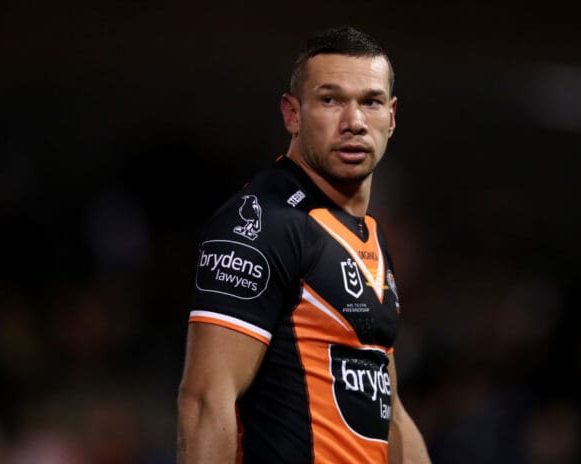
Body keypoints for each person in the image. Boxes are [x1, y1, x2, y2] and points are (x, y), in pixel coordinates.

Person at [177, 25, 431, 463]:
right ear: (292, 114)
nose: (354, 122)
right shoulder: (261, 223)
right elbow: (205, 402)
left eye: (370, 102)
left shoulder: (368, 233)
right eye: (331, 100)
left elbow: (391, 414)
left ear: (391, 117)